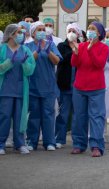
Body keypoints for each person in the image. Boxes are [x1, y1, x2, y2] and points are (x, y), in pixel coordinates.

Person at [70, 21, 109, 157]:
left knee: (96, 117)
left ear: (99, 33)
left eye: (93, 29)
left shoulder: (104, 48)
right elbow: (74, 64)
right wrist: (75, 53)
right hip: (79, 87)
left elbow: (99, 64)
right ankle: (79, 144)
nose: (90, 31)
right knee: (79, 117)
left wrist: (91, 50)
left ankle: (96, 146)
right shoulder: (81, 46)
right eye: (89, 28)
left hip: (96, 88)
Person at [25, 21, 62, 151]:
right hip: (32, 86)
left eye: (43, 29)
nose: (42, 31)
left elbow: (57, 60)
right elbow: (27, 62)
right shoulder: (28, 46)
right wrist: (37, 51)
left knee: (48, 115)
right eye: (39, 29)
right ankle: (31, 141)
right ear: (33, 33)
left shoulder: (51, 45)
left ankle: (49, 142)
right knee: (34, 115)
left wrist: (47, 51)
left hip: (48, 86)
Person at [0, 24, 36, 155]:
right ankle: (1, 143)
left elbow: (30, 70)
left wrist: (24, 63)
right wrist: (10, 62)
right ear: (10, 35)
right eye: (18, 32)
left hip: (21, 90)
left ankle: (19, 143)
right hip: (5, 89)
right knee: (4, 117)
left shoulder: (25, 50)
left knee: (20, 117)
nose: (21, 35)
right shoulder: (2, 49)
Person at [55, 23, 82, 149]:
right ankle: (60, 138)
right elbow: (62, 59)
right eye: (69, 30)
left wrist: (78, 48)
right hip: (64, 85)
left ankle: (77, 140)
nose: (71, 32)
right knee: (63, 114)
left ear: (78, 34)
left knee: (77, 115)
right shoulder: (61, 46)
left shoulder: (83, 45)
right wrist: (73, 50)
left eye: (74, 31)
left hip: (78, 86)